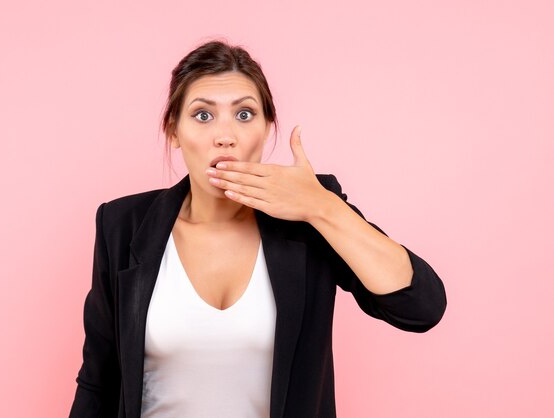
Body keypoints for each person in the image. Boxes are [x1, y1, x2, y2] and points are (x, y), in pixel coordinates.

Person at [69, 40, 447, 418]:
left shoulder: (309, 214)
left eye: (245, 115)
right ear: (173, 130)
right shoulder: (122, 225)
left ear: (268, 129)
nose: (225, 135)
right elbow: (98, 382)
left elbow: (421, 307)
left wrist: (323, 209)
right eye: (203, 115)